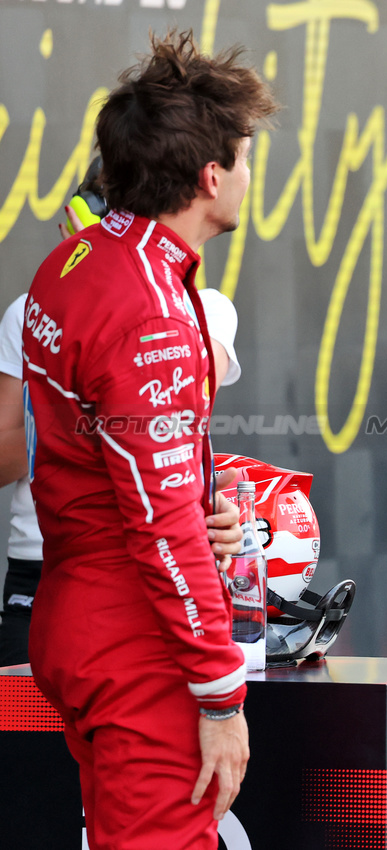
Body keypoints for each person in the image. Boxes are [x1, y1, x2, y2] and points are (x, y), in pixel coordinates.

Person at [23, 30, 277, 848]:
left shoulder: (72, 263)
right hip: (135, 639)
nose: (245, 175)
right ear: (211, 177)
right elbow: (161, 525)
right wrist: (219, 696)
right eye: (241, 158)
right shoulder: (153, 315)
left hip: (75, 610)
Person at [0, 189, 243, 667]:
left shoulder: (204, 309)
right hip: (45, 567)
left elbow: (163, 431)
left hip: (152, 567)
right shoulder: (31, 309)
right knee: (31, 739)